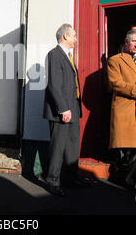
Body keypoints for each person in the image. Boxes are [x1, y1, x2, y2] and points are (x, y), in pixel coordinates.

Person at [107, 29, 136, 188]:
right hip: (124, 109)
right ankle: (124, 176)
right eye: (134, 41)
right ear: (126, 42)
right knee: (124, 149)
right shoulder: (115, 60)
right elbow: (115, 84)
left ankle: (128, 179)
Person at [43, 23, 83, 196]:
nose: (75, 38)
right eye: (73, 35)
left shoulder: (68, 56)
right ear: (65, 36)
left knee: (72, 147)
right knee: (58, 147)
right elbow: (54, 85)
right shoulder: (54, 54)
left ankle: (71, 178)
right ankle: (52, 181)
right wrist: (63, 109)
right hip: (62, 111)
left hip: (73, 109)